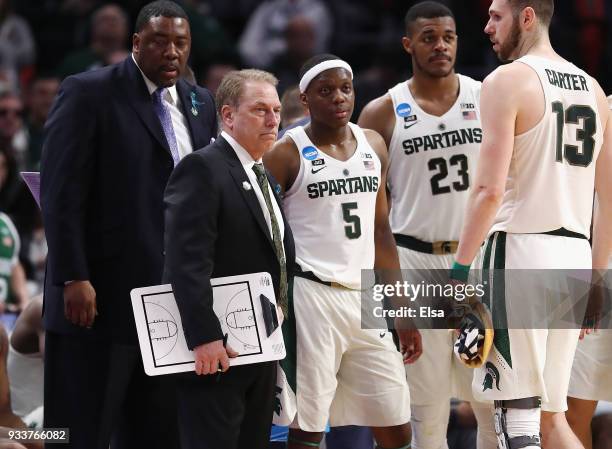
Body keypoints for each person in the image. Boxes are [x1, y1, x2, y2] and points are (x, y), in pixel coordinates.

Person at [39, 1, 218, 448]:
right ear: (136, 43)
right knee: (78, 432)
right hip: (99, 299)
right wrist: (72, 276)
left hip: (170, 304)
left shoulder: (201, 102)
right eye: (160, 41)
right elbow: (61, 195)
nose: (172, 52)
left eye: (181, 43)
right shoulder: (88, 92)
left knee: (157, 432)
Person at [451, 1, 612, 448]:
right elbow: (609, 197)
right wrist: (598, 279)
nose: (486, 27)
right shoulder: (594, 89)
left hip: (520, 252)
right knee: (551, 418)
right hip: (575, 257)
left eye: (495, 16)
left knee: (516, 413)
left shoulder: (507, 79)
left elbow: (488, 191)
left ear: (526, 16)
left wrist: (459, 270)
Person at [358, 3, 496, 448]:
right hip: (415, 260)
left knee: (492, 404)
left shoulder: (488, 95)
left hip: (478, 260)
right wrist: (394, 304)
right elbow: (373, 221)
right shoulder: (381, 113)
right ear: (408, 44)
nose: (440, 45)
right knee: (428, 411)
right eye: (429, 37)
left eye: (449, 36)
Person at [264, 53, 418, 449]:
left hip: (365, 296)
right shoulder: (286, 153)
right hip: (312, 295)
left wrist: (401, 312)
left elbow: (382, 232)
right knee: (308, 427)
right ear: (305, 98)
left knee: (397, 423)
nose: (338, 97)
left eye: (345, 88)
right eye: (326, 90)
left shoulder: (374, 144)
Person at [163, 68, 295, 449]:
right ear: (227, 116)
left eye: (275, 110)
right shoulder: (203, 167)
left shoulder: (262, 172)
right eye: (259, 110)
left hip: (260, 345)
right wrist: (204, 336)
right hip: (218, 349)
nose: (273, 120)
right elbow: (187, 262)